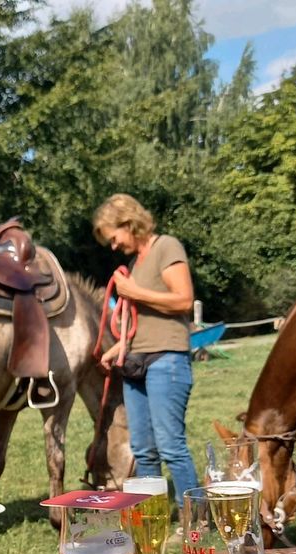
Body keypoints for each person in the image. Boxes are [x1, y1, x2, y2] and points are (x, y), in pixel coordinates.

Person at [92, 193, 199, 512]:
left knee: (171, 446)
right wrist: (118, 348)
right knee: (143, 448)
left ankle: (195, 517)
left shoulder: (166, 246)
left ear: (128, 223)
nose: (113, 246)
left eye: (114, 237)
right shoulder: (133, 266)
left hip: (167, 359)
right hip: (136, 362)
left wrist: (135, 292)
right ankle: (154, 517)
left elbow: (183, 300)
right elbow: (141, 322)